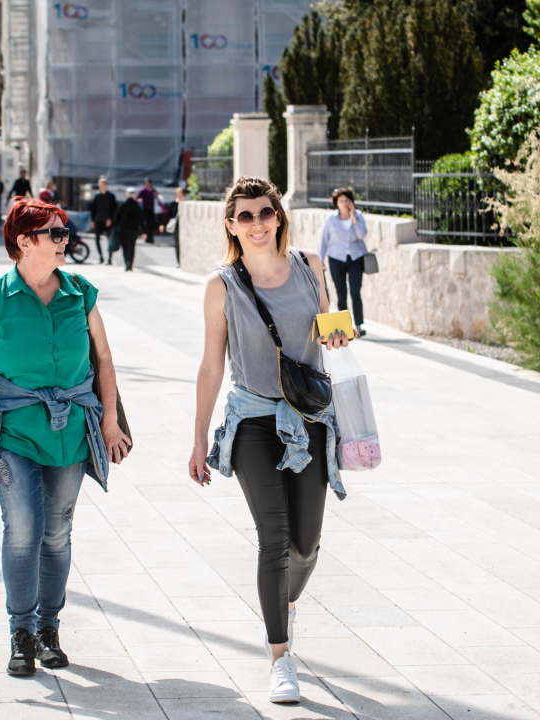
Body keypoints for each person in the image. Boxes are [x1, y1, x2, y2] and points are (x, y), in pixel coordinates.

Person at [0, 198, 132, 677]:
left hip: (71, 435)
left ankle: (48, 629)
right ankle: (20, 633)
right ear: (25, 242)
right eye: (56, 234)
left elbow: (103, 358)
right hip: (14, 435)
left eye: (65, 232)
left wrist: (109, 420)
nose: (66, 240)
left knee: (57, 533)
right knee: (23, 529)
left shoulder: (80, 293)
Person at [189, 177, 352, 705]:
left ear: (278, 216)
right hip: (253, 421)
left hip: (308, 418)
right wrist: (197, 439)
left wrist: (340, 334)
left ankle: (282, 603)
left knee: (306, 545)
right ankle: (281, 659)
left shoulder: (309, 266)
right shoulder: (223, 285)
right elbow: (213, 363)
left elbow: (331, 334)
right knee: (275, 538)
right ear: (231, 225)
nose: (256, 223)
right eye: (244, 216)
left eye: (265, 212)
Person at [318, 188, 369, 337]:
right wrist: (320, 258)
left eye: (347, 200)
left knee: (355, 291)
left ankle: (358, 325)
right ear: (336, 203)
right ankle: (344, 326)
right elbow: (324, 239)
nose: (344, 203)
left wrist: (353, 217)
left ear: (351, 202)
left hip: (355, 258)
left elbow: (362, 234)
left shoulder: (358, 215)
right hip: (336, 258)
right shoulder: (331, 219)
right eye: (341, 201)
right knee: (341, 293)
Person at [110, 186, 144, 271]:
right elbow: (141, 219)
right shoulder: (137, 206)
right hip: (134, 230)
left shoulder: (122, 205)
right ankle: (130, 264)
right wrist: (144, 231)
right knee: (132, 247)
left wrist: (114, 228)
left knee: (125, 247)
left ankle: (127, 263)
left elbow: (116, 219)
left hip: (123, 230)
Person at [87, 175, 117, 264]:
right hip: (98, 220)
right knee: (97, 238)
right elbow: (93, 209)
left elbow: (114, 209)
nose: (102, 186)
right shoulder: (97, 196)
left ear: (106, 185)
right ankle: (101, 257)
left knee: (110, 239)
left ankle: (110, 258)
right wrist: (92, 220)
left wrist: (110, 219)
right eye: (101, 185)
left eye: (104, 185)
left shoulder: (111, 196)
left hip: (107, 221)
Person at [160, 186, 186, 266]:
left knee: (184, 244)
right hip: (176, 227)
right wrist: (162, 224)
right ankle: (179, 262)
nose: (179, 196)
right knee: (177, 244)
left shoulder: (185, 204)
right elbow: (167, 215)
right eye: (178, 194)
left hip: (184, 227)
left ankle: (184, 261)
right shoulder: (173, 204)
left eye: (181, 194)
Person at [136, 177, 159, 244]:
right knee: (145, 224)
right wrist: (139, 200)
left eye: (148, 183)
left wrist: (156, 195)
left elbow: (157, 196)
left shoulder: (153, 190)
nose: (147, 184)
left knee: (151, 224)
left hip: (152, 209)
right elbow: (137, 198)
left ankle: (151, 238)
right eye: (146, 183)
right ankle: (146, 237)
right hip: (144, 209)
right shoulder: (142, 190)